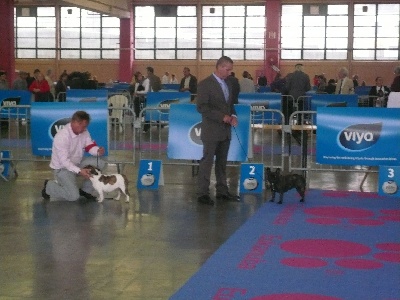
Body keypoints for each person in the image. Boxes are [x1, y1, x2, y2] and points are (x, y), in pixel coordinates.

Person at [196, 56, 239, 206]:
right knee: (207, 162)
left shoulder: (229, 84)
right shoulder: (205, 84)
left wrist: (232, 116)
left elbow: (230, 104)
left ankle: (222, 191)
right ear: (219, 67)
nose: (229, 73)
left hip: (225, 131)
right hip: (211, 130)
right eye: (227, 70)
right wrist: (222, 117)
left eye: (230, 70)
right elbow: (202, 107)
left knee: (222, 163)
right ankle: (202, 193)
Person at [42, 111, 106, 202]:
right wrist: (80, 171)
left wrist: (97, 151)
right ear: (74, 122)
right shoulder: (62, 137)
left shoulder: (84, 131)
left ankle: (85, 190)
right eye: (83, 126)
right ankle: (49, 186)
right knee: (73, 196)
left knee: (100, 163)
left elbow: (89, 145)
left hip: (77, 163)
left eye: (85, 126)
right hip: (62, 169)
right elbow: (64, 162)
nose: (85, 129)